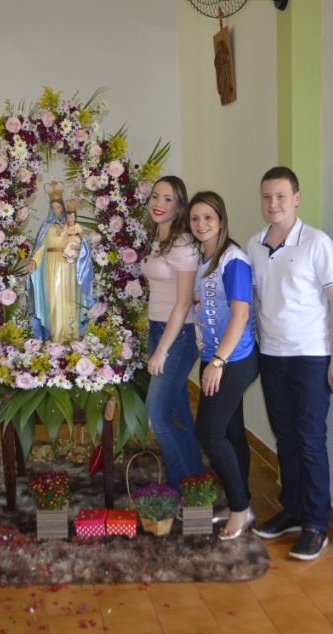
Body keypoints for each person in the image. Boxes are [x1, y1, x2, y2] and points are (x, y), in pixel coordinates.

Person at [248, 167, 333, 561]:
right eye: (267, 197)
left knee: (309, 442)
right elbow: (258, 300)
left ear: (296, 198)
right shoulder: (256, 245)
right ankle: (291, 510)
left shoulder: (317, 243)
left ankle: (315, 525)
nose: (273, 204)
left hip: (310, 356)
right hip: (272, 355)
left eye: (280, 197)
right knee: (285, 439)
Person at [189, 191, 259, 540]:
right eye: (195, 219)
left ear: (221, 220)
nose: (201, 225)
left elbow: (241, 313)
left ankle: (240, 507)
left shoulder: (234, 260)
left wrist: (217, 361)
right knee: (230, 433)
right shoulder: (205, 259)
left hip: (234, 359)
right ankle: (242, 503)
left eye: (208, 218)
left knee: (209, 433)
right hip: (215, 357)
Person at [141, 176, 205, 492]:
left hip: (177, 336)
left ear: (179, 206)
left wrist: (162, 350)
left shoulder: (182, 244)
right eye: (155, 196)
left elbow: (182, 303)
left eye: (168, 199)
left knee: (156, 416)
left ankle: (182, 490)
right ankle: (197, 488)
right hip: (158, 329)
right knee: (178, 416)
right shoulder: (158, 237)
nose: (159, 204)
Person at [26, 194, 93, 342]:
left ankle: (69, 336)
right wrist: (34, 262)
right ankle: (55, 336)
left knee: (69, 298)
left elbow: (79, 242)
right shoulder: (47, 225)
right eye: (53, 207)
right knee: (53, 299)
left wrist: (77, 247)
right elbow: (41, 248)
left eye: (58, 207)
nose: (56, 210)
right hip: (51, 265)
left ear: (63, 207)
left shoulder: (70, 224)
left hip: (67, 265)